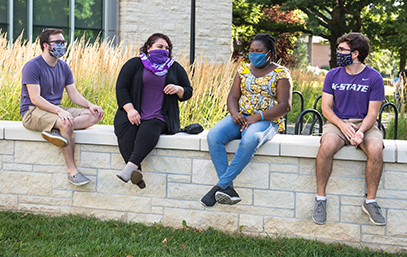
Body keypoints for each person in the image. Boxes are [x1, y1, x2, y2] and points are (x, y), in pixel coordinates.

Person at [200, 33, 292, 207]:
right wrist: (234, 113)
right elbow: (233, 97)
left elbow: (285, 106)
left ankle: (220, 186)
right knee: (214, 136)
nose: (253, 53)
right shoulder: (243, 69)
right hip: (241, 117)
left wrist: (257, 117)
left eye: (259, 51)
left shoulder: (281, 73)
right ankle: (228, 189)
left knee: (251, 139)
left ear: (269, 53)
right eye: (251, 50)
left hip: (266, 120)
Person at [312, 32, 386, 226]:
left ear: (355, 53)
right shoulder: (332, 74)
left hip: (365, 124)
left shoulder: (374, 77)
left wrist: (360, 132)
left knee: (376, 150)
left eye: (341, 50)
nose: (338, 53)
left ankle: (370, 201)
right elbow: (326, 108)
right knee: (326, 145)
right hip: (338, 123)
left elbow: (372, 114)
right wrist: (343, 125)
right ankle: (320, 199)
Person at [20, 28, 104, 186]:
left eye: (63, 42)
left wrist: (90, 105)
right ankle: (72, 172)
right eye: (57, 42)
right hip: (32, 111)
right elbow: (35, 98)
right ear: (46, 45)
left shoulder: (64, 67)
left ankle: (55, 130)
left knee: (95, 115)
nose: (62, 45)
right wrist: (60, 112)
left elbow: (73, 94)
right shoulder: (32, 66)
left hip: (54, 108)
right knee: (66, 122)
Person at [114, 33, 192, 189]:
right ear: (148, 48)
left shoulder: (174, 67)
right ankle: (137, 173)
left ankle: (129, 168)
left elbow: (188, 91)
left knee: (151, 126)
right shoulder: (134, 64)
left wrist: (178, 89)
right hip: (134, 112)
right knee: (126, 128)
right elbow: (121, 87)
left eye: (167, 48)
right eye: (160, 46)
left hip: (161, 115)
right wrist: (130, 110)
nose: (164, 50)